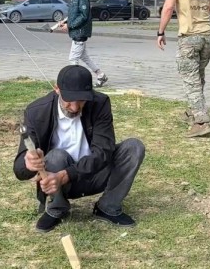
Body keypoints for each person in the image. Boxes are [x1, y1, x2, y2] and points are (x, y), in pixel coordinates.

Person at [13, 65, 145, 233]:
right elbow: (19, 170)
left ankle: (108, 207)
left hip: (94, 173)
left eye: (81, 100)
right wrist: (28, 164)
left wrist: (66, 175)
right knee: (55, 157)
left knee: (134, 147)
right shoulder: (36, 112)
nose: (75, 107)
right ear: (57, 89)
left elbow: (103, 151)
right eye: (69, 100)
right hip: (58, 182)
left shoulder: (100, 103)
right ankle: (57, 208)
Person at [157, 0, 210, 137]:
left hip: (189, 36)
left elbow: (167, 7)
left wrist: (160, 31)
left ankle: (201, 121)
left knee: (190, 80)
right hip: (207, 35)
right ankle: (194, 110)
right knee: (198, 77)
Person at [60, 0, 107, 86]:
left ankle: (75, 83)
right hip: (76, 32)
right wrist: (65, 21)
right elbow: (74, 14)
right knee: (84, 57)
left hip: (80, 33)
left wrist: (69, 25)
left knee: (73, 59)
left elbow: (83, 16)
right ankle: (101, 75)